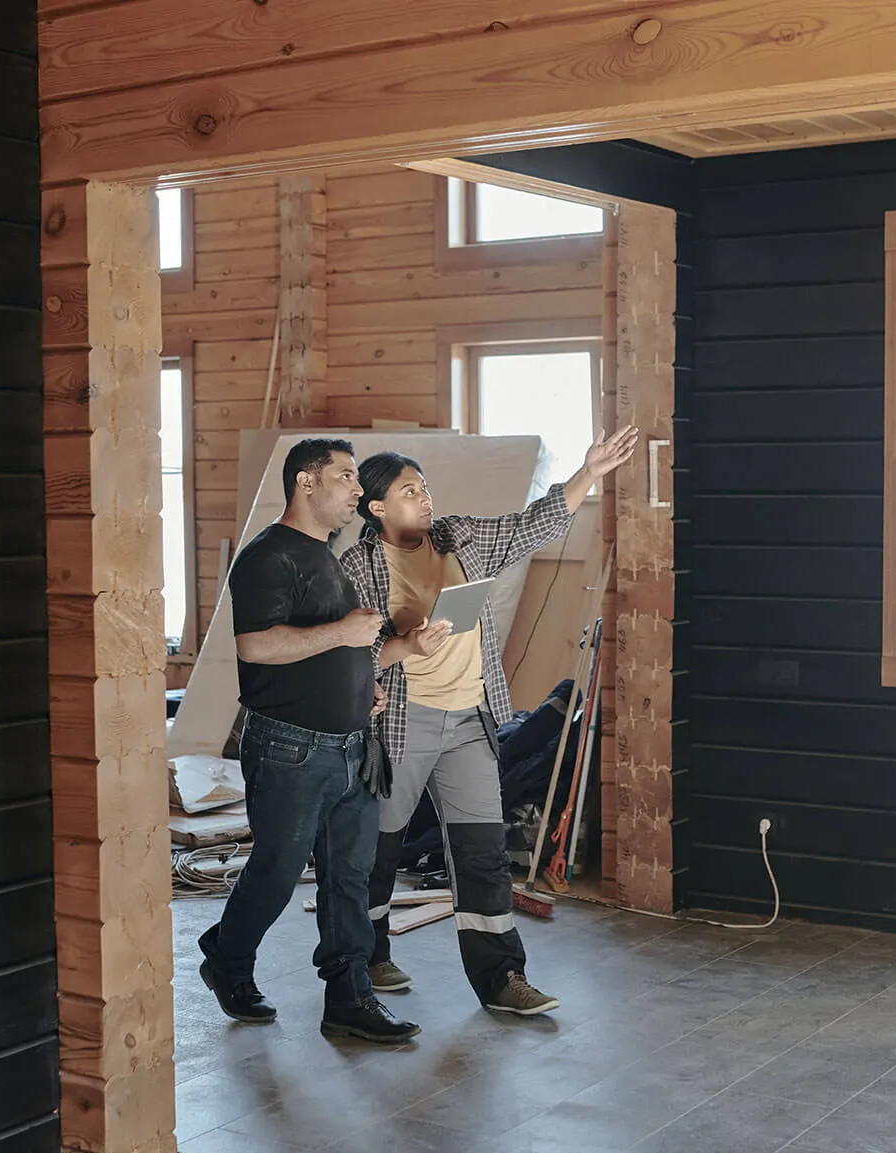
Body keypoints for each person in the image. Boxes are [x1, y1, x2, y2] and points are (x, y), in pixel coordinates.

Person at [340, 426, 639, 1016]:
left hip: (469, 719)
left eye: (425, 487)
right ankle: (366, 956)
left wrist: (589, 473)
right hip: (402, 722)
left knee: (481, 852)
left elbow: (533, 525)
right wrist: (407, 643)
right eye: (408, 492)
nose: (424, 498)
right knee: (378, 848)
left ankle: (502, 977)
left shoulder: (460, 538)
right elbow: (350, 654)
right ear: (376, 508)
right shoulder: (358, 566)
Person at [196, 438, 419, 1044]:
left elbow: (332, 649)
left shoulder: (326, 556)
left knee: (349, 878)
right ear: (306, 482)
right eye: (346, 477)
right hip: (290, 748)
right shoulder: (268, 557)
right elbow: (257, 646)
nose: (357, 490)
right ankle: (228, 959)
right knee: (277, 870)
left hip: (352, 745)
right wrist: (345, 633)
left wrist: (364, 686)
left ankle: (349, 998)